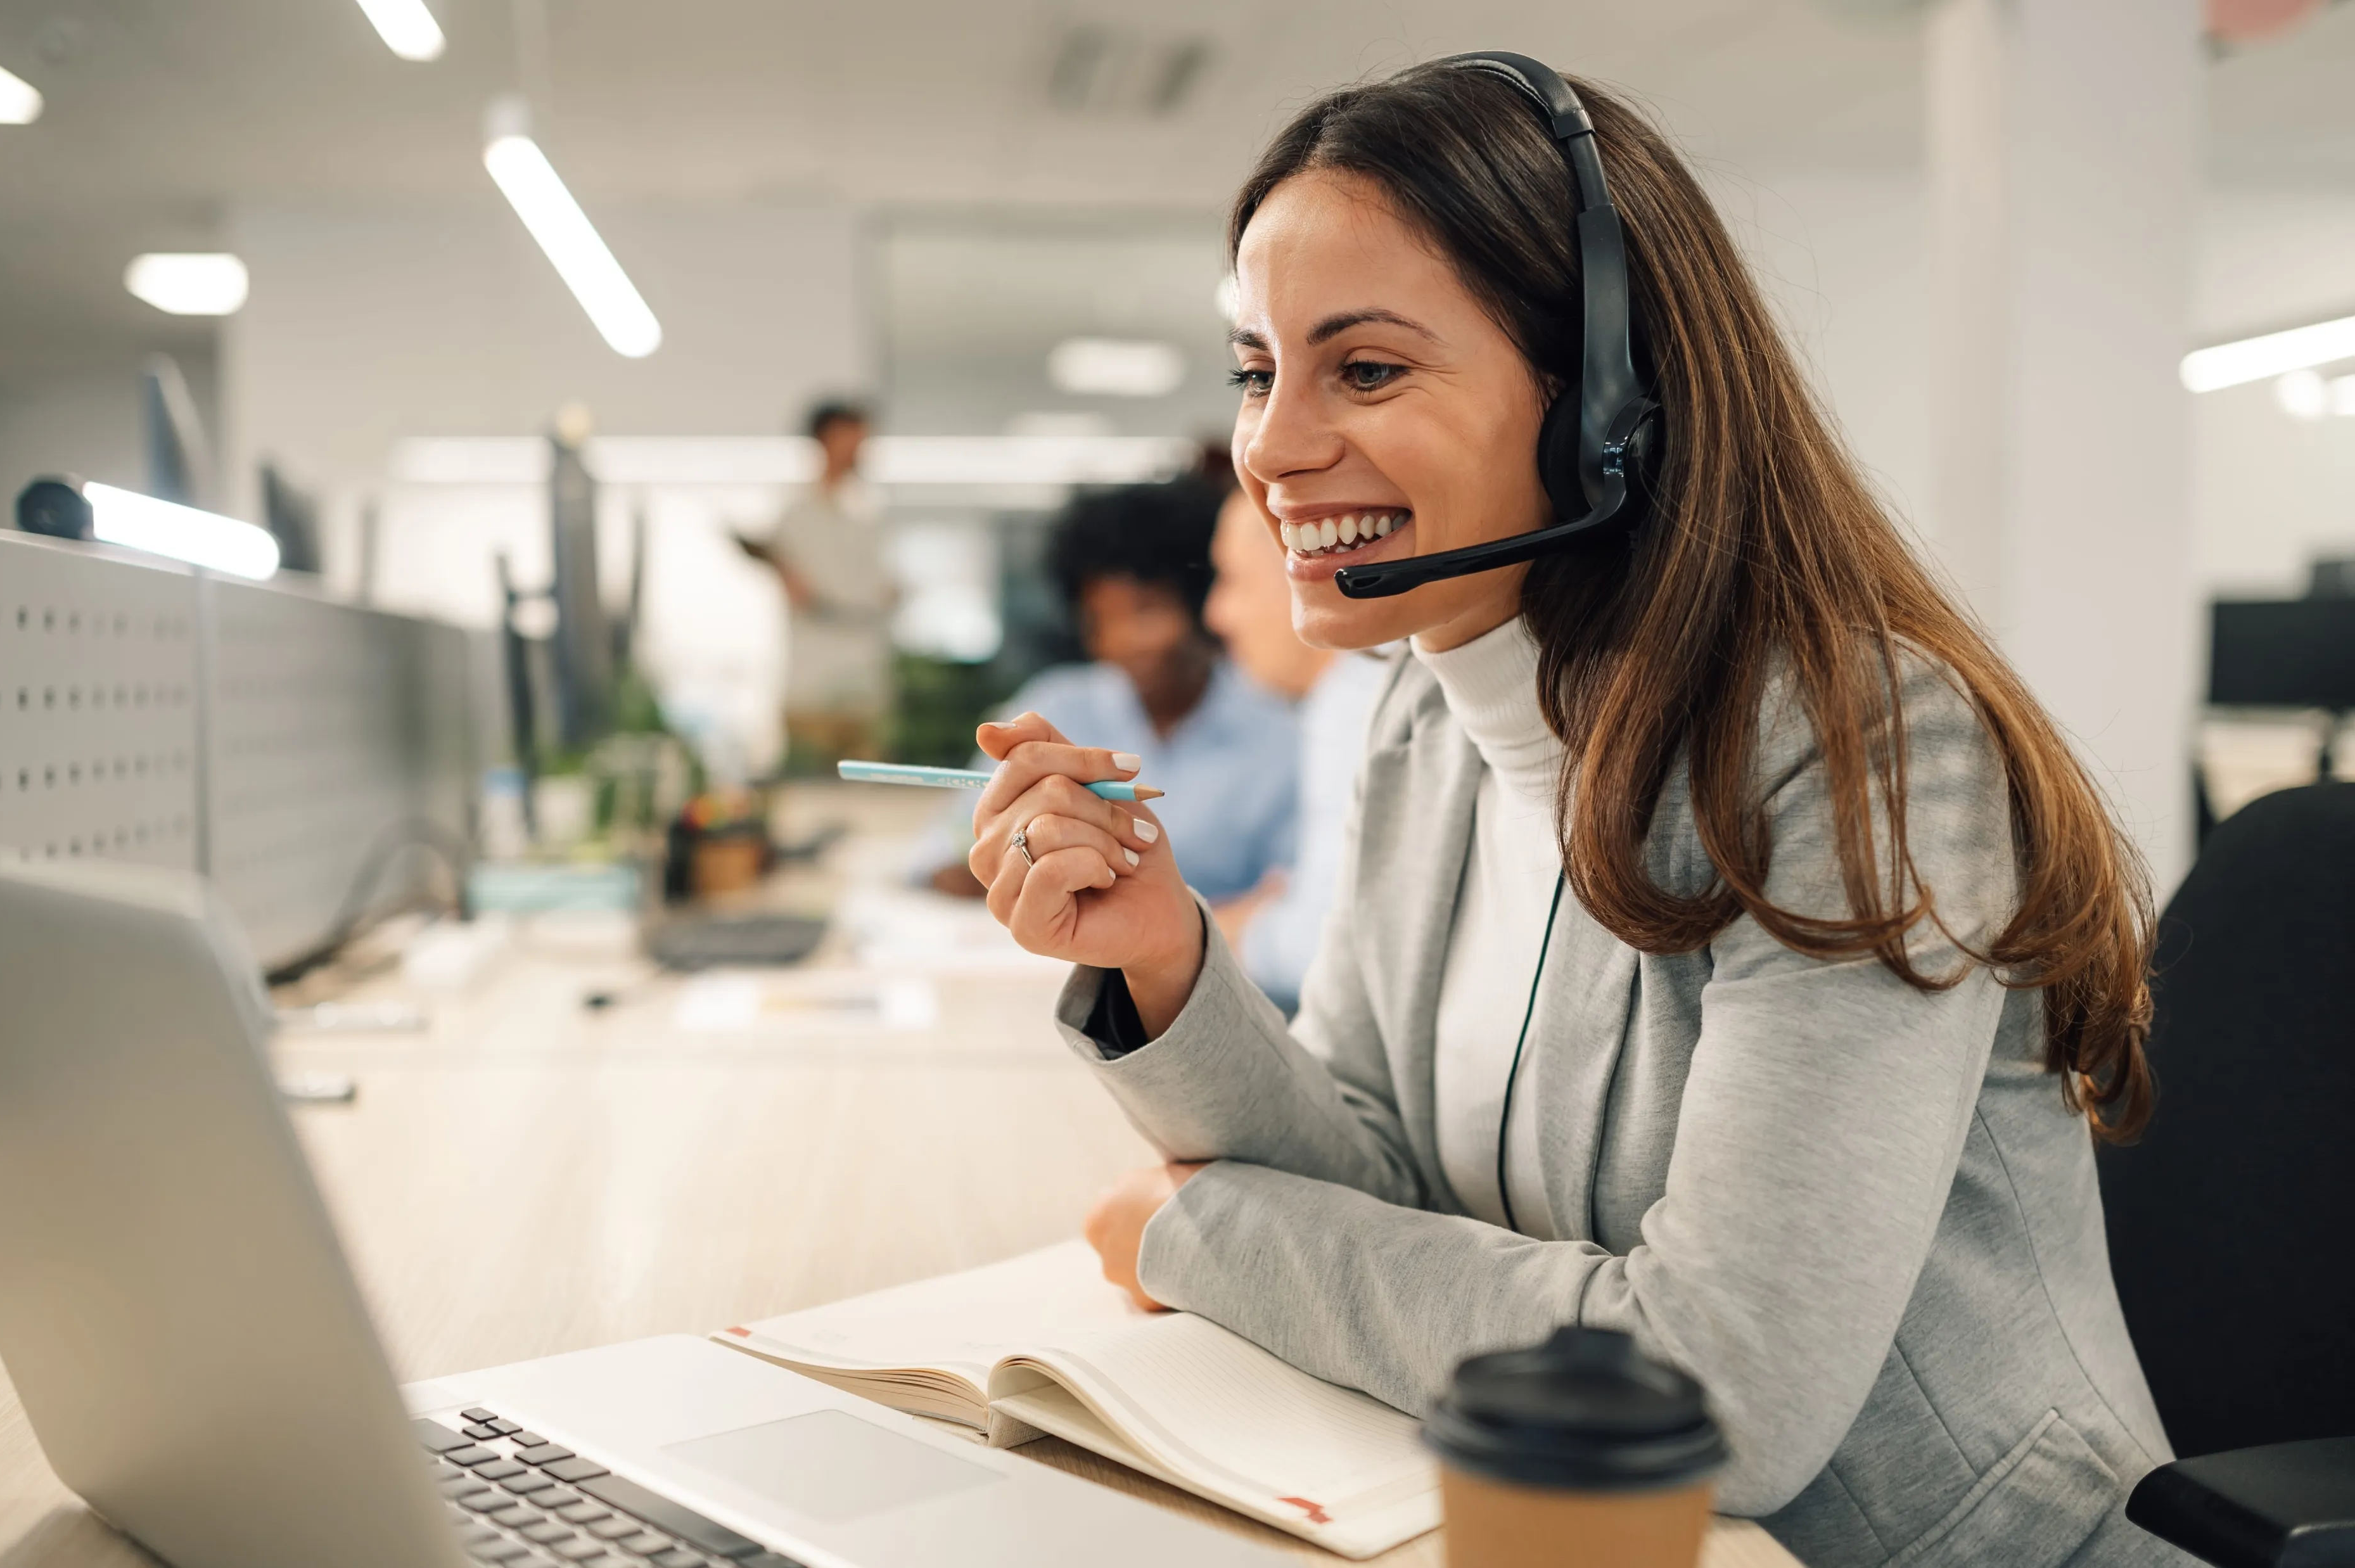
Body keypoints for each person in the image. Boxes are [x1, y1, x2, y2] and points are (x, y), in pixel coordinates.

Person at [954, 59, 2186, 1568]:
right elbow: (1380, 1173)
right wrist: (1163, 958)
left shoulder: (1862, 752)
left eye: (1366, 368)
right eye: (1257, 368)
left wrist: (1197, 1234)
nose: (1269, 450)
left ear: (1605, 399)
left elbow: (1714, 1391)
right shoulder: (1430, 713)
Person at [916, 478, 1298, 905]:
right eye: (1099, 619)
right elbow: (942, 854)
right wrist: (1006, 852)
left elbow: (1291, 899)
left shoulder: (1278, 734)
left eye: (1145, 611)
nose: (1121, 641)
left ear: (1201, 604)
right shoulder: (1053, 708)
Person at [1201, 486, 1387, 1013]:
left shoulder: (1360, 696)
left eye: (1232, 579)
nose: (1217, 615)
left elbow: (1327, 947)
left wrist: (1220, 934)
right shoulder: (1351, 693)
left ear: (1305, 571)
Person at [751, 399, 895, 767]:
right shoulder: (795, 515)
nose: (862, 448)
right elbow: (797, 589)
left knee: (868, 788)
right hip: (811, 686)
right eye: (855, 437)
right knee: (808, 785)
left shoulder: (868, 515)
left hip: (863, 683)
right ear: (827, 439)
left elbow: (882, 589)